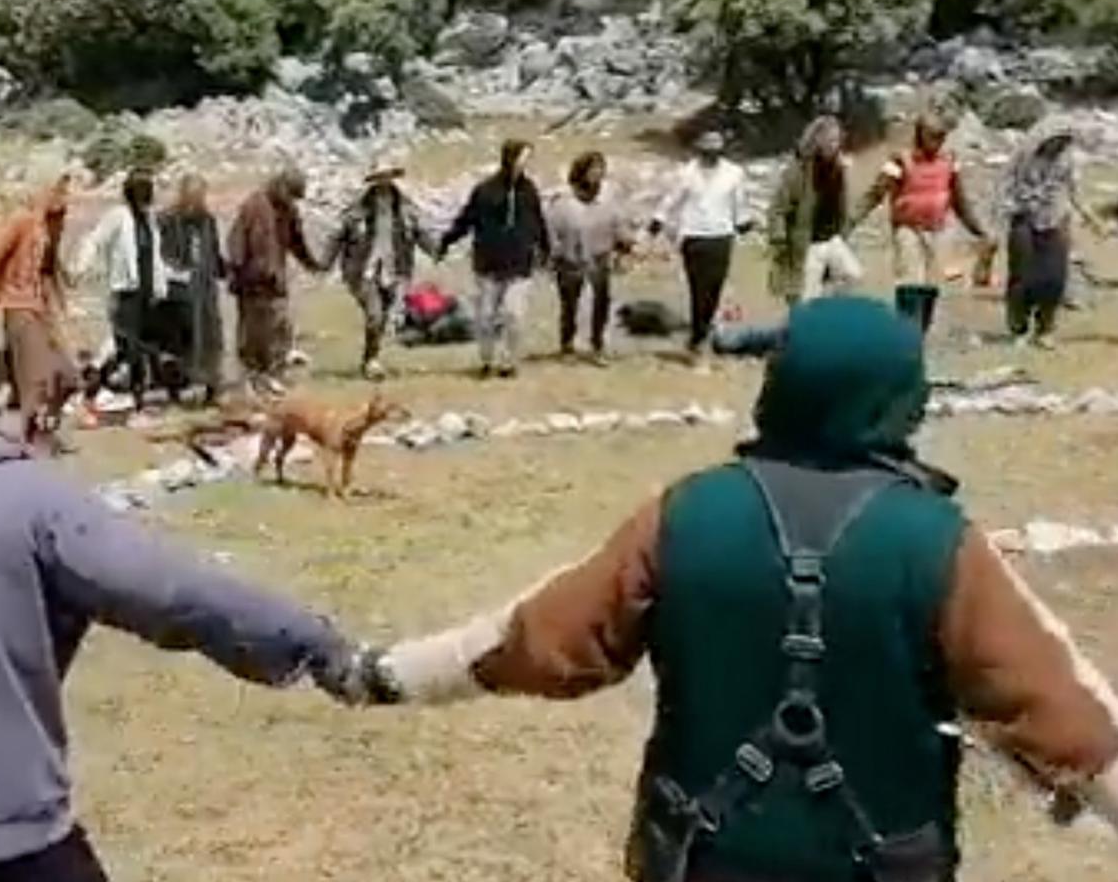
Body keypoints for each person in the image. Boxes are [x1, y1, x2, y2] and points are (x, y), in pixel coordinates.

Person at [340, 297, 1118, 882]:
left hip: (699, 857)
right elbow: (1074, 728)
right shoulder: (938, 542)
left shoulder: (686, 514)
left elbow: (537, 643)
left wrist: (389, 674)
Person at [0, 323, 362, 882]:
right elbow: (174, 592)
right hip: (3, 840)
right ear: (0, 398)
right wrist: (315, 645)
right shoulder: (35, 501)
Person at [0, 175, 81, 455]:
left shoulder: (51, 224)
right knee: (36, 380)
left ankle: (41, 431)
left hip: (42, 309)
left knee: (67, 376)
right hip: (19, 306)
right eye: (58, 190)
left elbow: (50, 268)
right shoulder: (22, 221)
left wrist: (64, 307)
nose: (63, 197)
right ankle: (31, 441)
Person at [850, 113, 991, 334]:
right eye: (933, 137)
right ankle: (904, 332)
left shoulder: (949, 160)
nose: (937, 143)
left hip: (939, 229)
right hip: (908, 228)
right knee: (910, 283)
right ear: (920, 135)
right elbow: (876, 193)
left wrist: (979, 230)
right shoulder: (900, 160)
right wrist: (851, 221)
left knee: (931, 286)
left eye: (941, 138)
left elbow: (959, 200)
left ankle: (921, 331)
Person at [440, 139, 549, 379]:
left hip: (520, 263)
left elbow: (538, 222)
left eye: (527, 158)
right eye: (521, 157)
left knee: (514, 314)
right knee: (486, 316)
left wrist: (545, 249)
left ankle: (509, 362)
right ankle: (487, 360)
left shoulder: (529, 191)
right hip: (488, 263)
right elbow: (466, 219)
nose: (524, 163)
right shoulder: (485, 190)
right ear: (509, 158)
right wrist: (446, 241)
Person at [997, 120, 1108, 350]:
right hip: (1023, 214)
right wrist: (1002, 218)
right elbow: (1004, 186)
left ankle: (1045, 328)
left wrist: (1092, 219)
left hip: (1054, 217)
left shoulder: (1066, 160)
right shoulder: (1023, 156)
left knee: (1055, 277)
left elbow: (1075, 191)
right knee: (1022, 275)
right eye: (1056, 141)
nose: (1059, 146)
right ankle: (1019, 325)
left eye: (1064, 142)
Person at [327, 159, 433, 380]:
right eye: (380, 177)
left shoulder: (405, 206)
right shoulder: (358, 208)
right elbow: (337, 236)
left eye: (388, 176)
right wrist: (325, 262)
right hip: (364, 269)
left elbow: (420, 233)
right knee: (374, 314)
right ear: (374, 180)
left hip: (396, 268)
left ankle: (372, 356)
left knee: (385, 316)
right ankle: (371, 361)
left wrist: (435, 250)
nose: (384, 181)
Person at [74, 168, 170, 411]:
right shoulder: (118, 217)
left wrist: (161, 284)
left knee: (140, 345)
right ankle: (120, 394)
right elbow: (95, 240)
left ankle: (126, 390)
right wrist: (81, 267)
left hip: (147, 292)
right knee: (129, 346)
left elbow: (155, 255)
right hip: (126, 291)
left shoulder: (149, 220)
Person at [650, 131, 750, 361]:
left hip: (721, 235)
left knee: (715, 286)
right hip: (693, 236)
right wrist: (658, 220)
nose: (712, 150)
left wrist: (743, 222)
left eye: (716, 145)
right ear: (699, 147)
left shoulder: (734, 173)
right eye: (707, 145)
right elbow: (672, 198)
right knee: (698, 288)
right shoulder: (687, 173)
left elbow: (739, 201)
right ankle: (699, 335)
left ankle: (704, 328)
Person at [226, 168, 320, 395]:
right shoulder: (254, 205)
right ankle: (251, 377)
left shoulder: (289, 210)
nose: (291, 200)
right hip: (251, 282)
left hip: (275, 279)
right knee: (253, 331)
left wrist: (310, 263)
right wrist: (237, 269)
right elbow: (235, 240)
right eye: (290, 194)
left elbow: (296, 241)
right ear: (280, 186)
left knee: (279, 325)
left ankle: (271, 374)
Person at [547, 151, 633, 366]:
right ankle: (567, 345)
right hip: (570, 260)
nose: (597, 173)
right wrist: (553, 255)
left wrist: (625, 248)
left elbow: (618, 224)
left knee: (601, 303)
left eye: (600, 168)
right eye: (592, 168)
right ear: (581, 171)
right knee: (569, 306)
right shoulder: (563, 200)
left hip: (600, 258)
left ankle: (597, 346)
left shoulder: (608, 198)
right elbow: (551, 230)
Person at [769, 116, 860, 304]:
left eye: (837, 140)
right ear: (817, 140)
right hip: (808, 242)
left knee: (853, 274)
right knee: (807, 297)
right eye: (830, 140)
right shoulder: (798, 169)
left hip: (832, 239)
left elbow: (842, 204)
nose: (835, 145)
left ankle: (828, 308)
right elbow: (778, 208)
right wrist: (778, 237)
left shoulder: (838, 168)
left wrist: (845, 228)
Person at [158, 173, 226, 405]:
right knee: (181, 341)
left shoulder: (207, 221)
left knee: (210, 338)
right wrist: (175, 272)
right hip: (177, 290)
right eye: (193, 196)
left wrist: (228, 271)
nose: (197, 201)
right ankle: (178, 388)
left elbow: (213, 253)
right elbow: (161, 255)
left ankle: (209, 385)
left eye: (200, 196)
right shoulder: (167, 220)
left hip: (204, 288)